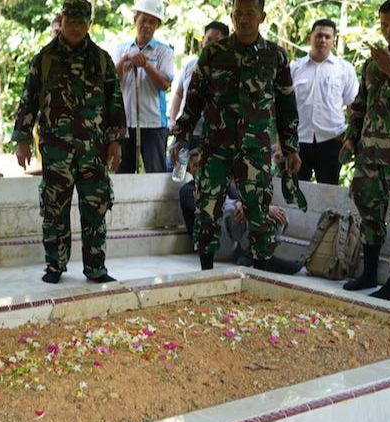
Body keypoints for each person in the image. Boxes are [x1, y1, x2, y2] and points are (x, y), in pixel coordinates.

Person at [170, 0, 302, 273]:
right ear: (231, 16)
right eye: (238, 13)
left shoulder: (275, 56)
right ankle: (206, 272)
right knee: (207, 210)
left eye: (250, 13)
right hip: (216, 147)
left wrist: (291, 148)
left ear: (262, 17)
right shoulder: (213, 54)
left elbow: (287, 107)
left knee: (258, 211)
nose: (243, 19)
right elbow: (193, 101)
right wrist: (181, 138)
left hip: (255, 149)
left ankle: (262, 275)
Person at [12, 0, 126, 284]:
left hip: (94, 151)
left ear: (89, 23)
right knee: (54, 209)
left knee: (95, 207)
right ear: (62, 20)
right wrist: (22, 140)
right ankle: (55, 265)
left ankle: (96, 267)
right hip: (56, 150)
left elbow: (114, 103)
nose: (75, 27)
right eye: (70, 21)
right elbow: (28, 101)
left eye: (80, 21)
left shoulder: (101, 59)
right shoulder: (45, 58)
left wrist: (115, 142)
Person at [341, 0, 390, 296]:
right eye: (384, 24)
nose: (389, 31)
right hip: (369, 154)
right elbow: (360, 107)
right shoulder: (371, 63)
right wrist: (351, 138)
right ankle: (369, 274)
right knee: (369, 216)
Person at [290, 19, 359, 185]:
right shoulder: (294, 68)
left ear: (333, 41)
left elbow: (354, 107)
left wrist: (352, 138)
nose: (323, 40)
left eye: (327, 37)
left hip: (333, 141)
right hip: (299, 141)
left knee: (329, 191)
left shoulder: (344, 69)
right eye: (319, 35)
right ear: (310, 38)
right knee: (295, 190)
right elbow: (282, 106)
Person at [112, 0, 173, 174]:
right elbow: (110, 81)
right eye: (143, 20)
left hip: (153, 123)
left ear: (157, 26)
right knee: (123, 174)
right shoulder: (121, 49)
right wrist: (126, 60)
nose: (146, 25)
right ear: (135, 20)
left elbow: (165, 84)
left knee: (156, 173)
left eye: (152, 22)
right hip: (125, 123)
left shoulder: (164, 51)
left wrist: (146, 65)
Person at [168, 20, 230, 152]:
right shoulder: (191, 65)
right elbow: (179, 94)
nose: (211, 45)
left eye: (217, 41)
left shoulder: (228, 71)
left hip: (210, 136)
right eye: (209, 40)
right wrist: (173, 119)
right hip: (186, 131)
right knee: (174, 169)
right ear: (202, 41)